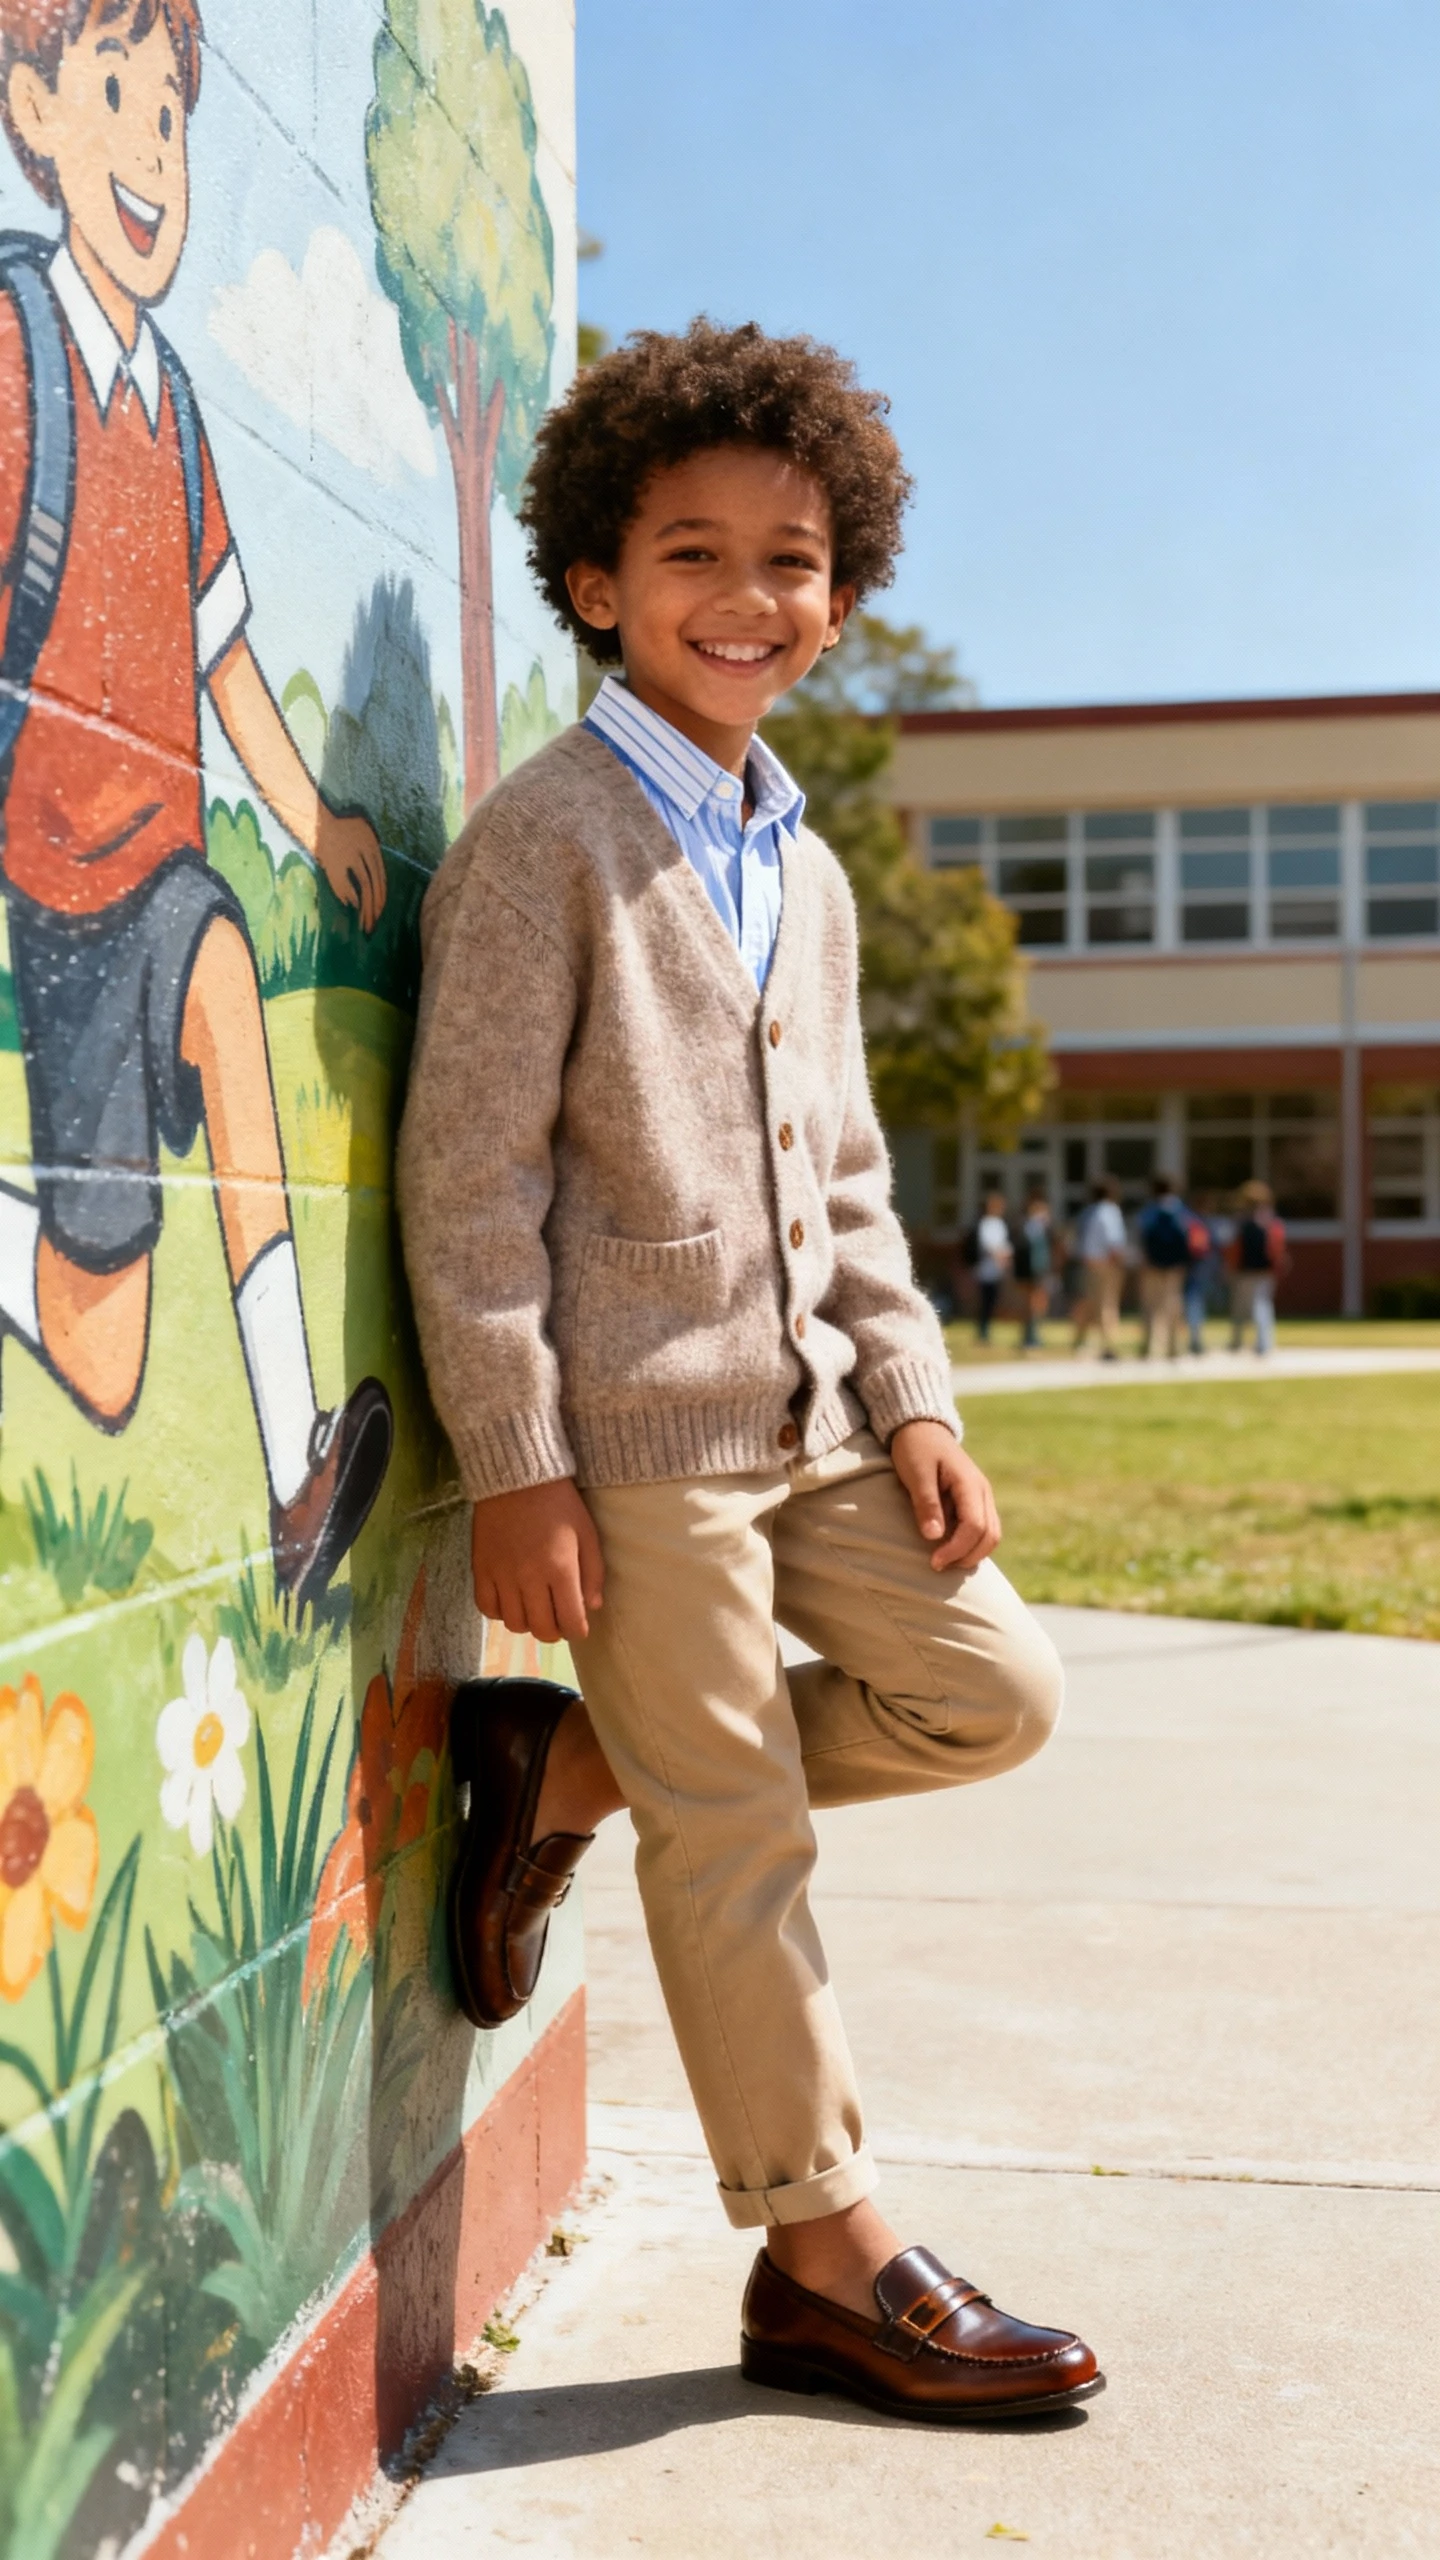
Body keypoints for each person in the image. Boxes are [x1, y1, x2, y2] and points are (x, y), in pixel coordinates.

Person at [399, 319, 1102, 2422]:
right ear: (598, 582)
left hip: (810, 1424)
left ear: (845, 593)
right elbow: (468, 1178)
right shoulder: (548, 843)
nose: (747, 598)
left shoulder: (796, 865)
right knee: (743, 1834)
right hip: (634, 1441)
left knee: (991, 1689)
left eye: (792, 560)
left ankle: (565, 1767)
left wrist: (920, 1399)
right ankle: (824, 2252)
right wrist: (518, 1454)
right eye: (692, 553)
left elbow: (855, 1171)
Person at [0, 0, 392, 1601]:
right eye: (115, 101)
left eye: (171, 113)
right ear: (34, 111)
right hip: (56, 885)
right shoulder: (18, 355)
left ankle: (303, 1469)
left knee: (230, 982)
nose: (154, 152)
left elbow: (228, 665)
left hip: (157, 867)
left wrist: (318, 828)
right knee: (100, 1359)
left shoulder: (174, 407)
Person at [1137, 1173, 1192, 1361]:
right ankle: (1173, 1347)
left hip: (1153, 1264)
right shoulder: (1180, 1210)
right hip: (1175, 1265)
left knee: (1151, 1305)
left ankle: (1150, 1347)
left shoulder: (1150, 1211)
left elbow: (1143, 1236)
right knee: (1173, 1305)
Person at [1229, 1179, 1288, 1354]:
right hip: (1264, 1269)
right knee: (1261, 1304)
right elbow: (1278, 1246)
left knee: (1242, 1306)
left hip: (1245, 1269)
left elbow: (1235, 1247)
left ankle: (1239, 1341)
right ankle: (1262, 1342)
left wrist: (1230, 1266)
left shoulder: (1241, 1220)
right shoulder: (1271, 1220)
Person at [1071, 1176, 1126, 1359]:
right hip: (1106, 1264)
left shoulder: (1087, 1212)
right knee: (1106, 1305)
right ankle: (1108, 1345)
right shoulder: (1110, 1212)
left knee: (1088, 1303)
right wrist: (1120, 1262)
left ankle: (1079, 1340)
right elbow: (1114, 1241)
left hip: (1088, 1263)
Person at [972, 1186, 1013, 1344]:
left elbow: (1004, 1244)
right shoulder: (985, 1223)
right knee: (985, 1301)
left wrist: (1006, 1257)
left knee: (993, 1301)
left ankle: (987, 1331)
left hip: (997, 1269)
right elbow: (987, 1245)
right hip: (986, 1268)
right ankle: (982, 1332)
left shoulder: (1000, 1223)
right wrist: (998, 1255)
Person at [1183, 1193, 1220, 1356]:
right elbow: (1201, 1248)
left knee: (1193, 1304)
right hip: (1197, 1269)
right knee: (1194, 1304)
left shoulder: (1190, 1220)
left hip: (1195, 1269)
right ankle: (1195, 1340)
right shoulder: (1198, 1222)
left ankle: (1195, 1339)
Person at [1017, 1188, 1054, 1350]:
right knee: (1031, 1304)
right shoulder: (1031, 1227)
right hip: (1031, 1270)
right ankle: (1029, 1335)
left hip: (1039, 1269)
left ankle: (1033, 1334)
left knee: (1038, 1303)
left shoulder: (1042, 1229)